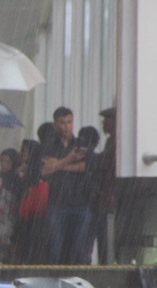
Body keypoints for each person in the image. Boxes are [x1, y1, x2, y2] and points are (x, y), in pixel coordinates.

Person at [41, 107, 93, 265]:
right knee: (55, 248)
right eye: (62, 123)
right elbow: (44, 171)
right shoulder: (49, 145)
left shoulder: (81, 144)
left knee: (81, 249)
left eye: (69, 122)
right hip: (57, 203)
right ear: (56, 124)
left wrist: (59, 164)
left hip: (80, 201)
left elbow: (84, 167)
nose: (66, 127)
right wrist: (69, 159)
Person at [93, 107, 118, 264]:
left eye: (107, 119)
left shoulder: (117, 143)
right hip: (105, 196)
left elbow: (108, 165)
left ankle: (108, 265)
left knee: (108, 238)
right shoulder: (111, 141)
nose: (103, 123)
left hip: (111, 196)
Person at [0, 147, 22, 264]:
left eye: (7, 161)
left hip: (11, 216)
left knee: (8, 243)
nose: (3, 164)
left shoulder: (17, 178)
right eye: (1, 161)